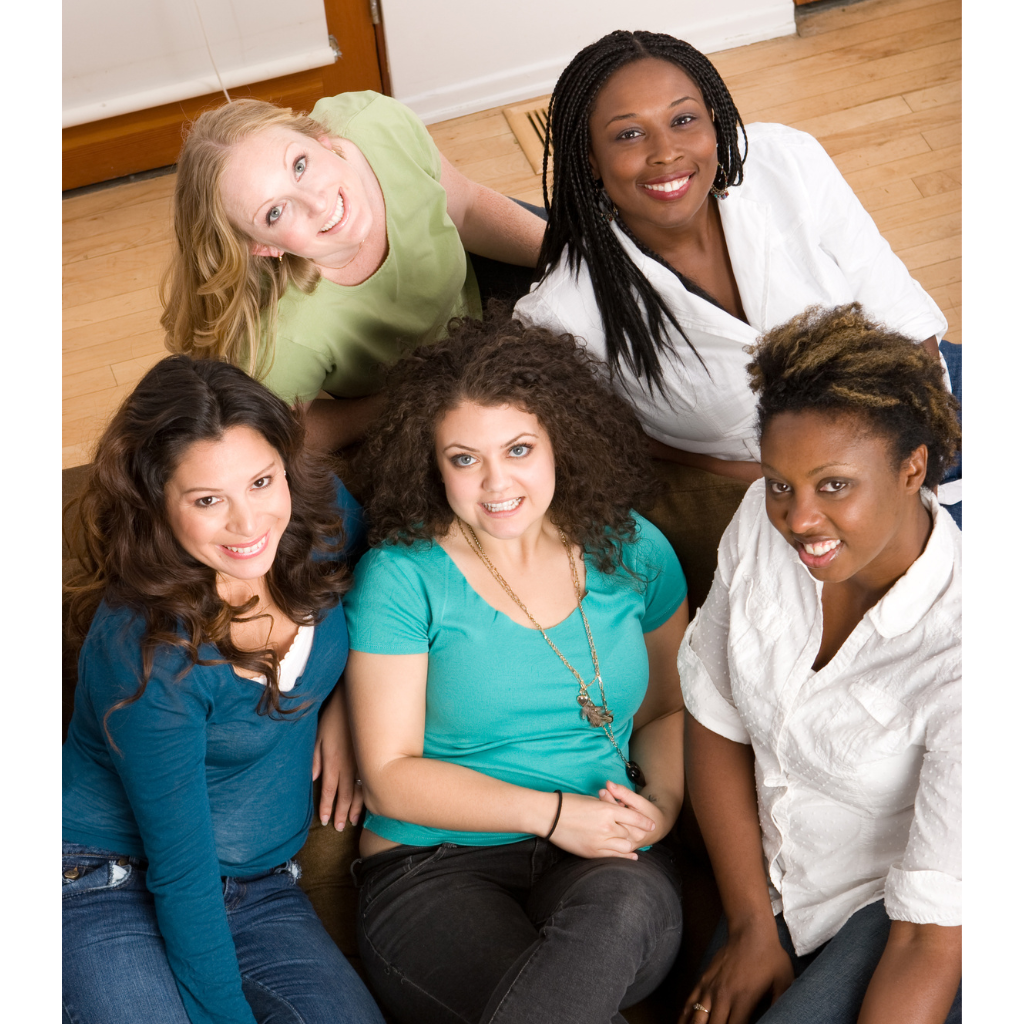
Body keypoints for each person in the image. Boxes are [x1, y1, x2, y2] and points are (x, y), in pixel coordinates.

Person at [514, 30, 955, 606]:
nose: (665, 152)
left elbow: (899, 311)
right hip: (787, 505)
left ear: (716, 123)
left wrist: (915, 451)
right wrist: (773, 481)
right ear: (590, 160)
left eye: (683, 120)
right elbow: (616, 439)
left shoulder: (785, 162)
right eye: (628, 134)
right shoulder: (561, 314)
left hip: (916, 427)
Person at [342, 316, 690, 1024]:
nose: (496, 482)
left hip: (608, 862)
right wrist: (554, 815)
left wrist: (665, 801)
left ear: (561, 438)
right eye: (464, 459)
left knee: (621, 916)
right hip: (433, 867)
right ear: (433, 464)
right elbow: (389, 773)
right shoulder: (401, 577)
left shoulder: (636, 550)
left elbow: (665, 709)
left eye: (519, 449)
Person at [60, 356, 384, 1024]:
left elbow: (389, 576)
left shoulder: (320, 523)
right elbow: (182, 873)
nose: (248, 523)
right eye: (208, 500)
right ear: (157, 503)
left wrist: (345, 707)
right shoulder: (147, 654)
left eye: (261, 481)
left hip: (260, 887)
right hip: (104, 879)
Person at [678, 305, 961, 1024]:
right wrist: (750, 924)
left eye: (834, 484)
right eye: (781, 483)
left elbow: (929, 938)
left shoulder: (954, 651)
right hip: (775, 884)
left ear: (912, 469)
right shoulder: (759, 522)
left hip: (907, 915)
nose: (798, 519)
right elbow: (713, 716)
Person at [161, 92, 546, 452]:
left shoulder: (376, 124)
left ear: (320, 138)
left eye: (300, 165)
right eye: (275, 212)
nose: (317, 203)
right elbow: (281, 433)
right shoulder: (284, 333)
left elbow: (466, 207)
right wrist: (400, 401)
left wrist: (569, 252)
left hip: (473, 284)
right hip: (411, 393)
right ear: (263, 247)